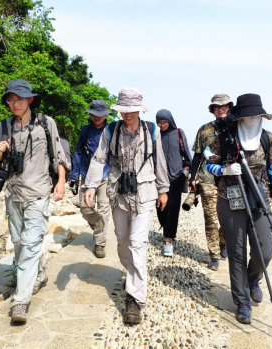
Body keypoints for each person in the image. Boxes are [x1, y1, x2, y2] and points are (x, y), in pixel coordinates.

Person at [84, 87, 169, 324]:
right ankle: (131, 274)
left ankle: (134, 299)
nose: (127, 114)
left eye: (131, 110)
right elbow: (99, 158)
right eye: (123, 110)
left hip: (145, 192)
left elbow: (159, 160)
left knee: (137, 244)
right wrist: (90, 187)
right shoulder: (111, 130)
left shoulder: (151, 130)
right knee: (122, 243)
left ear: (138, 109)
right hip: (118, 192)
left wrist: (163, 189)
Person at [0, 79, 70, 323]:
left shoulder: (46, 123)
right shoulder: (4, 126)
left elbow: (59, 155)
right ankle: (39, 274)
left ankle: (20, 302)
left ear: (30, 100)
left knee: (31, 243)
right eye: (10, 100)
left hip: (38, 192)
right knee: (19, 244)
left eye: (19, 99)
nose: (14, 104)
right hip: (13, 193)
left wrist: (61, 181)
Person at [205, 93, 272, 325]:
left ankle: (254, 279)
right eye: (248, 115)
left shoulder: (268, 139)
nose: (252, 119)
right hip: (229, 198)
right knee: (237, 252)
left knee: (265, 251)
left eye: (257, 115)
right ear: (239, 117)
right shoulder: (225, 137)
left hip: (258, 199)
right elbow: (209, 164)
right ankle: (242, 300)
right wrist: (225, 170)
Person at [189, 94, 231, 270]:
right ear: (212, 109)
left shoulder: (236, 127)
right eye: (216, 106)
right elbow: (198, 155)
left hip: (231, 180)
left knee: (228, 219)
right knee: (211, 219)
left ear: (229, 107)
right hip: (207, 179)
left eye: (223, 106)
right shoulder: (204, 130)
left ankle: (223, 241)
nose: (220, 109)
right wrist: (192, 176)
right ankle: (214, 254)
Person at [69, 100, 112, 258]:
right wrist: (73, 176)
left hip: (105, 175)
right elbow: (79, 152)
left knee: (103, 209)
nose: (96, 117)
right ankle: (99, 227)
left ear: (105, 115)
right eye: (94, 114)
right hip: (86, 174)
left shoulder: (111, 130)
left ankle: (100, 243)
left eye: (100, 115)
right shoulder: (85, 130)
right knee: (85, 209)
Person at [155, 109, 192, 256]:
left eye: (165, 122)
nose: (162, 124)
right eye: (159, 122)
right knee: (160, 207)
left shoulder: (179, 133)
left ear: (170, 121)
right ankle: (166, 228)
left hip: (177, 177)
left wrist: (188, 172)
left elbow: (186, 154)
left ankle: (169, 239)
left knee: (173, 208)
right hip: (159, 178)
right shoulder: (156, 135)